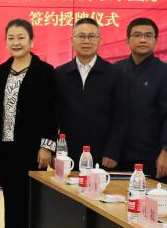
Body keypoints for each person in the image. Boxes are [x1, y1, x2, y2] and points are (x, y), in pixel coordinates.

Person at [0, 19, 57, 228]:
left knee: (30, 205)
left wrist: (46, 147)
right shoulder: (2, 70)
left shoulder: (44, 71)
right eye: (11, 38)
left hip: (32, 150)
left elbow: (51, 113)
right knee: (11, 204)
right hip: (5, 149)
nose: (16, 43)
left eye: (21, 38)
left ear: (31, 41)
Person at [54, 17, 127, 168]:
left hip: (102, 154)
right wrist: (54, 151)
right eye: (81, 36)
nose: (86, 41)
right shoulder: (60, 74)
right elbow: (52, 116)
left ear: (99, 40)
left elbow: (120, 117)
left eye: (91, 36)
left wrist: (112, 151)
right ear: (72, 40)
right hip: (66, 154)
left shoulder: (114, 73)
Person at [116, 18, 167, 179]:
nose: (143, 39)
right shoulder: (116, 70)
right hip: (116, 154)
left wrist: (166, 152)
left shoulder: (166, 72)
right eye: (137, 35)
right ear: (127, 40)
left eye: (148, 35)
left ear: (156, 41)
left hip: (150, 156)